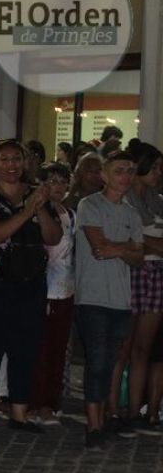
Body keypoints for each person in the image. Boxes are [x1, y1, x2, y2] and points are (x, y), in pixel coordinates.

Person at [0, 140, 61, 432]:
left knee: (26, 348)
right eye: (5, 159)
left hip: (31, 282)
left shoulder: (37, 195)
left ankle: (20, 413)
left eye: (17, 159)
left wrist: (40, 208)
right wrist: (25, 212)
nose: (12, 165)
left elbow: (53, 236)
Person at [75, 152, 145, 448]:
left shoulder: (132, 213)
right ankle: (93, 423)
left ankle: (102, 416)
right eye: (119, 170)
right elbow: (98, 247)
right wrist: (126, 248)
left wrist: (124, 250)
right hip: (92, 296)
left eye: (130, 170)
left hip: (120, 299)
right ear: (104, 175)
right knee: (98, 360)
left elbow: (139, 257)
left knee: (112, 360)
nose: (126, 176)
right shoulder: (89, 205)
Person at [107, 141, 163, 434]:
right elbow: (131, 240)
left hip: (155, 273)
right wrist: (148, 244)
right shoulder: (124, 201)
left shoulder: (157, 201)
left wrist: (147, 244)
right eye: (153, 167)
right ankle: (113, 410)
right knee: (123, 347)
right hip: (130, 272)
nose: (158, 173)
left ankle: (134, 411)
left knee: (143, 347)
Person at [28, 163, 76, 425]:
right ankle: (36, 402)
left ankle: (51, 401)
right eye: (53, 181)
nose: (58, 187)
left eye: (63, 181)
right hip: (46, 287)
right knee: (42, 349)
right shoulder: (40, 212)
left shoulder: (69, 213)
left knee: (58, 349)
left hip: (65, 289)